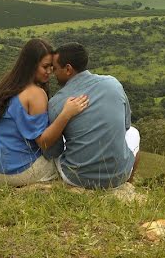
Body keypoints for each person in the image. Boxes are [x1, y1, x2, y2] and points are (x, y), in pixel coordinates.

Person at [0, 38, 89, 187]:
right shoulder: (36, 94)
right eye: (45, 66)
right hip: (14, 172)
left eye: (52, 67)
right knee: (61, 163)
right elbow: (44, 142)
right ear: (31, 66)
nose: (50, 72)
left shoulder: (6, 85)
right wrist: (66, 113)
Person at [47, 42, 140, 189]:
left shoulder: (56, 102)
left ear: (68, 69)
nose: (53, 73)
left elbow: (54, 150)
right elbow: (126, 126)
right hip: (118, 177)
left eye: (55, 69)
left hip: (76, 178)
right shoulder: (113, 83)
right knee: (134, 133)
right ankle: (127, 185)